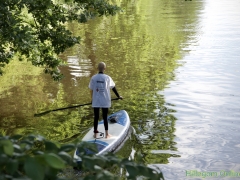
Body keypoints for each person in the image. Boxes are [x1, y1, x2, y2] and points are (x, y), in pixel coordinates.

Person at [89, 62, 122, 139]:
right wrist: (118, 96)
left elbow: (91, 89)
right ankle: (107, 134)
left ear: (97, 68)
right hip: (105, 100)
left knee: (96, 117)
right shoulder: (107, 78)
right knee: (105, 117)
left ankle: (95, 134)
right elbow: (113, 87)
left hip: (96, 100)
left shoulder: (93, 78)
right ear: (105, 68)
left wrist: (92, 99)